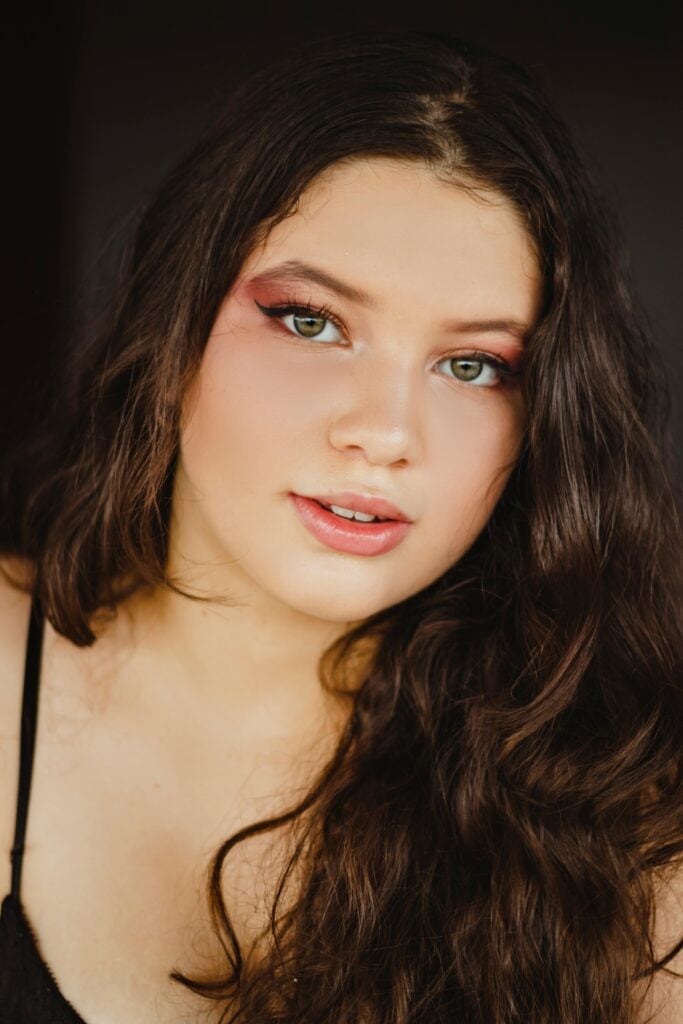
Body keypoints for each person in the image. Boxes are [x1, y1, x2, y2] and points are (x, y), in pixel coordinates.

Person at [0, 28, 681, 1024]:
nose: (385, 433)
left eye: (474, 365)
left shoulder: (627, 832)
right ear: (174, 321)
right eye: (311, 321)